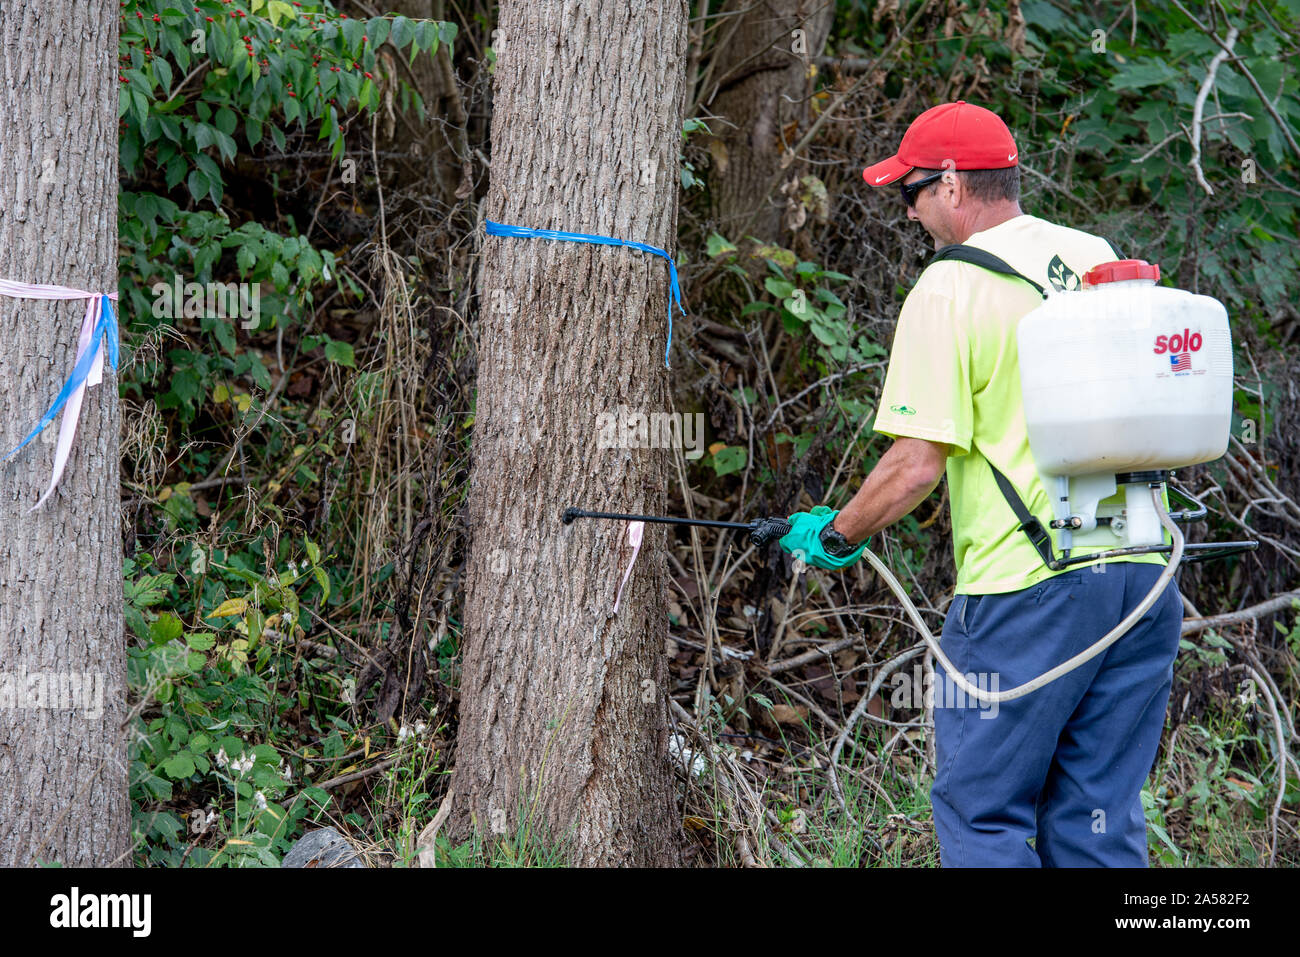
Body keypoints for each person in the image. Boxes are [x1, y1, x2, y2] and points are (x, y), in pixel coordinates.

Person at [761, 101, 1184, 867]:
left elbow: (917, 462)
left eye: (911, 192)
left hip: (1029, 592)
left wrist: (834, 535)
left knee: (981, 811)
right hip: (1141, 570)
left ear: (952, 184)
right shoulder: (1090, 253)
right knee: (1097, 817)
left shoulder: (948, 288)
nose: (912, 211)